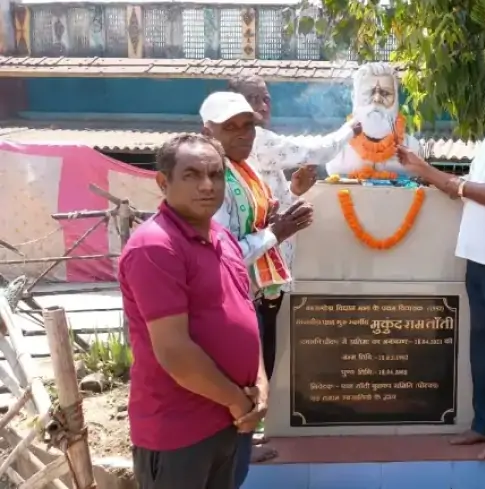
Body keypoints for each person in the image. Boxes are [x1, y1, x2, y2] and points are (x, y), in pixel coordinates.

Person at [396, 63, 485, 462]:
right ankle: (483, 423)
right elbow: (468, 191)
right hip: (477, 256)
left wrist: (431, 173)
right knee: (480, 344)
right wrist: (428, 177)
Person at [119, 134, 265, 489]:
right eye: (192, 175)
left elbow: (245, 314)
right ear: (163, 182)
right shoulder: (156, 246)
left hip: (229, 422)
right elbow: (175, 352)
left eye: (215, 175)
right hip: (179, 431)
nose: (207, 185)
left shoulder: (222, 237)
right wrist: (237, 402)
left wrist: (261, 383)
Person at [200, 91, 314, 487]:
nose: (242, 134)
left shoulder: (244, 169)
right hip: (233, 298)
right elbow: (225, 250)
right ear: (208, 132)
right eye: (230, 127)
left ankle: (244, 450)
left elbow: (256, 222)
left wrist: (287, 212)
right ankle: (234, 459)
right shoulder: (212, 180)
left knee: (256, 377)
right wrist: (277, 232)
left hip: (260, 292)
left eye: (247, 125)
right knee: (241, 385)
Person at [226, 75, 360, 382]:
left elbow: (269, 201)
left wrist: (295, 191)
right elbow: (315, 150)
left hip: (271, 269)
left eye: (266, 98)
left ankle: (254, 417)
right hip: (252, 269)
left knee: (268, 345)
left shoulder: (254, 145)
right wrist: (350, 130)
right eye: (253, 98)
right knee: (258, 352)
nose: (262, 105)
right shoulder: (257, 138)